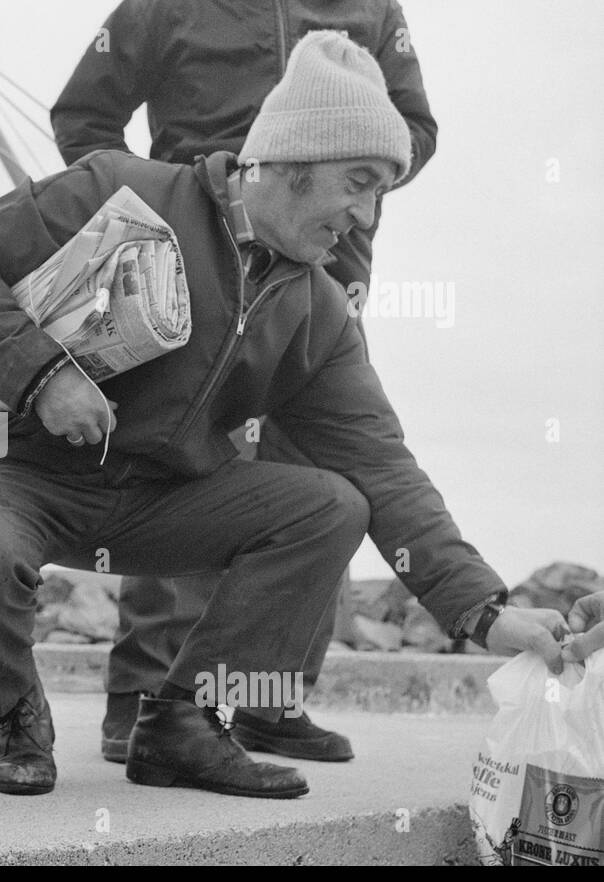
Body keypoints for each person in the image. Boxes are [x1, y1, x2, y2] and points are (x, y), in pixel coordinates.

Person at [0, 31, 569, 799]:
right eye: (357, 182)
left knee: (332, 505)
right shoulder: (116, 187)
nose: (362, 216)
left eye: (380, 194)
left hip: (160, 502)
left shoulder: (318, 311)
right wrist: (42, 374)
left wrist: (487, 614)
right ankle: (15, 702)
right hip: (20, 476)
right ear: (291, 164)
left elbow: (384, 468)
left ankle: (187, 723)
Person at [50, 0, 439, 765]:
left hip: (327, 267)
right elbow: (84, 112)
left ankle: (267, 700)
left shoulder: (373, 7)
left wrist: (339, 171)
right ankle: (148, 701)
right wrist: (155, 200)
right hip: (191, 257)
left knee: (321, 474)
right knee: (184, 465)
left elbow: (416, 127)